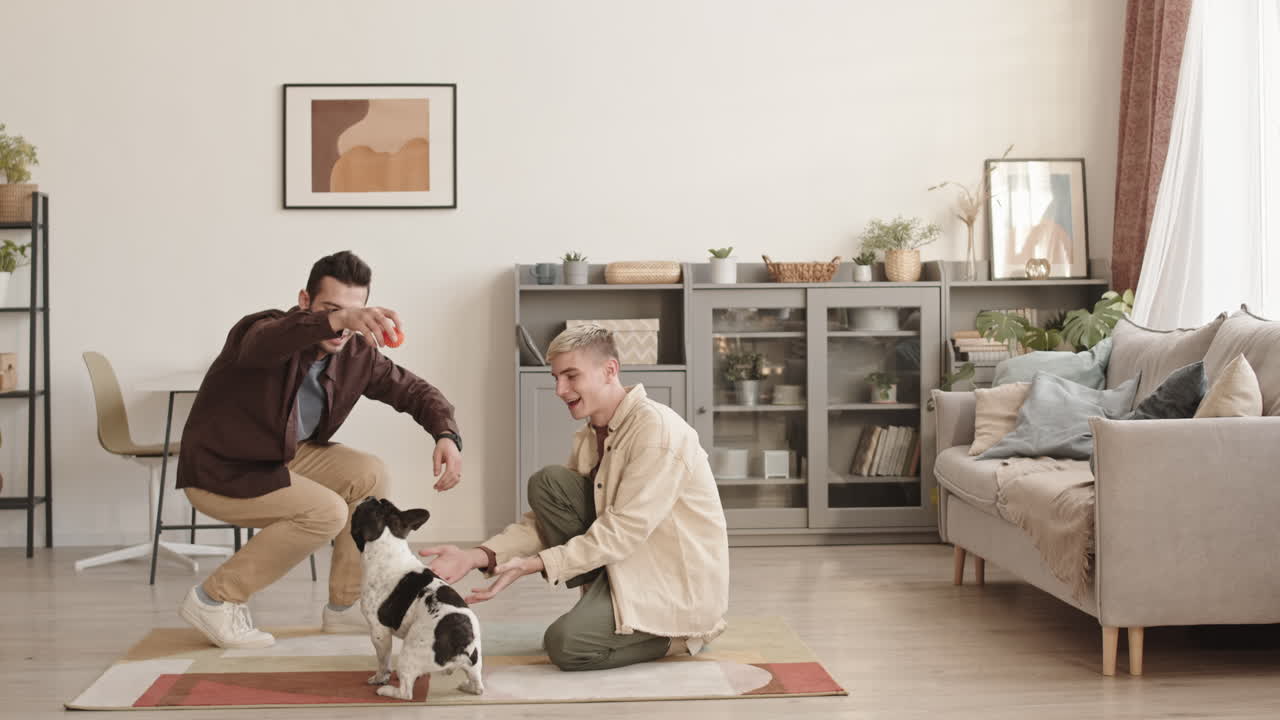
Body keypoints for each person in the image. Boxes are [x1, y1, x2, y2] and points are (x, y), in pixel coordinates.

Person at [175, 250, 463, 649]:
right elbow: (265, 342)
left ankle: (345, 607)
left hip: (282, 457)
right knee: (326, 512)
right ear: (304, 301)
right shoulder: (261, 332)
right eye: (332, 309)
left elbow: (414, 391)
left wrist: (446, 434)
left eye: (354, 312)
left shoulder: (356, 355)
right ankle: (215, 599)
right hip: (222, 468)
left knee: (370, 474)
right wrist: (339, 320)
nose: (345, 324)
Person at [420, 323, 729, 671]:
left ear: (609, 370)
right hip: (628, 562)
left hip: (671, 584)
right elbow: (543, 523)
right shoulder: (590, 435)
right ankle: (606, 601)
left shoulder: (657, 432)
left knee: (566, 646)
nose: (559, 389)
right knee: (549, 484)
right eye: (556, 378)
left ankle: (683, 635)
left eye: (571, 376)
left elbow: (623, 531)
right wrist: (476, 556)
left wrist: (535, 564)